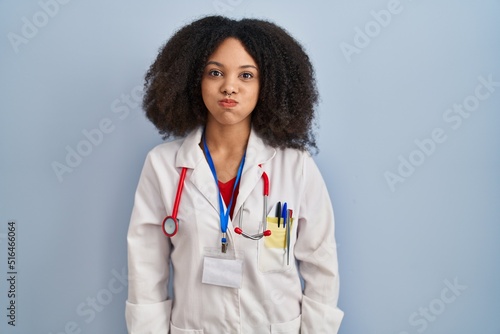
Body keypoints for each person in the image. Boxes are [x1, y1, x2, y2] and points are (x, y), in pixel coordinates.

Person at [125, 15, 343, 334]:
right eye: (215, 73)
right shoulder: (162, 165)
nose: (229, 86)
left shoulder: (295, 166)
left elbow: (321, 264)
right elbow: (146, 269)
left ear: (267, 85)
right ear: (193, 80)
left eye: (246, 75)